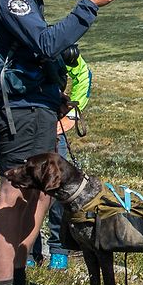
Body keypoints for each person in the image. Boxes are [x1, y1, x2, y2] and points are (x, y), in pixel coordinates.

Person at [0, 0, 122, 285]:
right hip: (19, 108)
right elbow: (45, 43)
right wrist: (88, 6)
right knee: (14, 194)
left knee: (34, 194)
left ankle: (16, 281)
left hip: (35, 105)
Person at [39, 46, 94, 271]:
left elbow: (83, 75)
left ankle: (59, 248)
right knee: (28, 187)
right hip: (26, 125)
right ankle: (28, 250)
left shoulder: (57, 45)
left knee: (58, 190)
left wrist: (72, 115)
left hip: (54, 124)